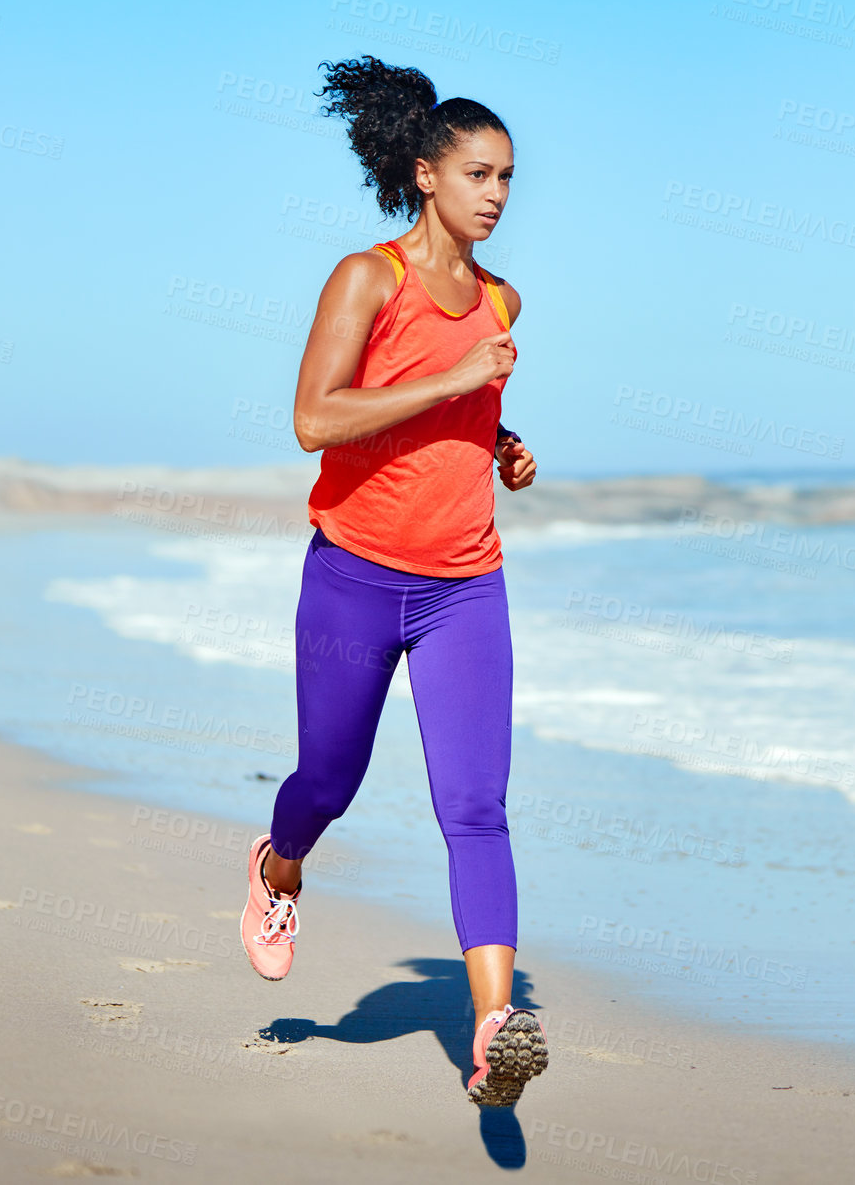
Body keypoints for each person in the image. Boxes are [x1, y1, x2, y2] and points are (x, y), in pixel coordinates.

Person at [238, 54, 548, 1107]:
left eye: (507, 176)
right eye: (478, 174)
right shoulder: (365, 278)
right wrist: (455, 380)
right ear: (424, 174)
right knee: (327, 781)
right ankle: (278, 868)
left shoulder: (503, 298)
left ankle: (494, 1024)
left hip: (467, 582)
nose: (497, 194)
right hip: (356, 576)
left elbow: (452, 417)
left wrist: (499, 438)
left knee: (475, 805)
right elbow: (316, 419)